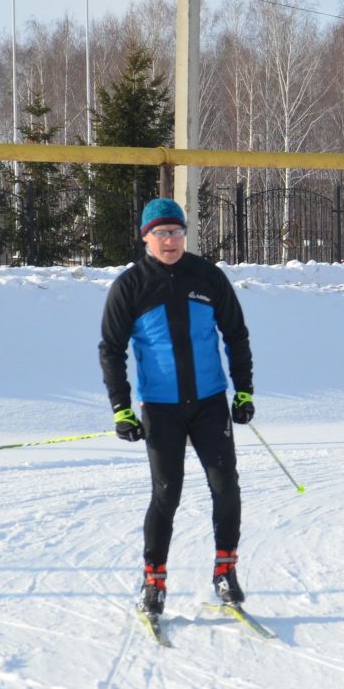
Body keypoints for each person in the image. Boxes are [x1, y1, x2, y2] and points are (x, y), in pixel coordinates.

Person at [98, 197, 256, 619]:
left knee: (226, 487)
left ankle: (225, 571)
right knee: (167, 494)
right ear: (145, 237)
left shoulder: (207, 276)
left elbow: (236, 336)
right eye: (161, 233)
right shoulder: (130, 286)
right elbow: (111, 351)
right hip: (161, 409)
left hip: (209, 405)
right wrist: (121, 408)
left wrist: (244, 391)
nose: (170, 241)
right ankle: (154, 581)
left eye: (177, 232)